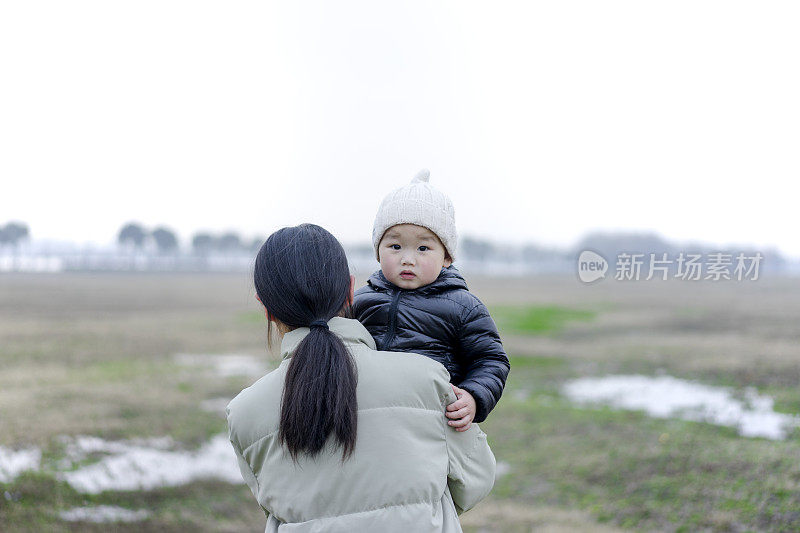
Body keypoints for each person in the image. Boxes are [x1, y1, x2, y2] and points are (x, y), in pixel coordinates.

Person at [226, 223, 496, 532]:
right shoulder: (427, 378)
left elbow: (272, 503)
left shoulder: (244, 413)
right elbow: (476, 480)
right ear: (351, 289)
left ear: (266, 308)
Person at [353, 169, 510, 430]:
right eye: (395, 246)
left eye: (423, 248)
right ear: (378, 252)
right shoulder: (361, 301)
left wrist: (473, 396)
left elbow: (490, 361)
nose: (408, 258)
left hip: (433, 426)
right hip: (370, 425)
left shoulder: (463, 307)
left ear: (447, 257)